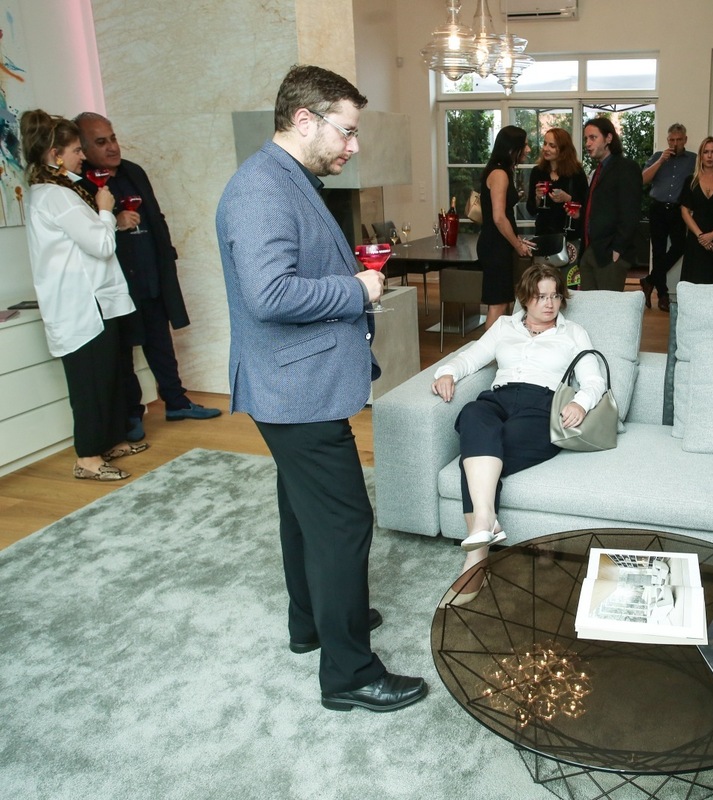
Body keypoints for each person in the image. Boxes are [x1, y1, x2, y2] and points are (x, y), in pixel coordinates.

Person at [216, 65, 426, 714]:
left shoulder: (286, 179)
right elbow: (270, 294)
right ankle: (349, 674)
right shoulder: (261, 188)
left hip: (300, 383)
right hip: (293, 387)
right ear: (304, 120)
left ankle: (312, 622)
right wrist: (355, 288)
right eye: (347, 131)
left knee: (304, 511)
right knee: (343, 522)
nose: (353, 145)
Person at [431, 263, 605, 605]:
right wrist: (447, 372)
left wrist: (581, 403)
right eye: (541, 296)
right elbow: (472, 357)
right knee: (473, 414)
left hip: (541, 407)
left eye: (555, 296)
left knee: (478, 456)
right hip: (499, 398)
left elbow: (594, 380)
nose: (549, 303)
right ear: (524, 298)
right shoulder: (504, 326)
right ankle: (486, 522)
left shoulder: (573, 332)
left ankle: (476, 558)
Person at [75, 112, 220, 440]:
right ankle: (131, 414)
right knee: (123, 351)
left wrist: (166, 257)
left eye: (113, 138)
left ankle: (176, 401)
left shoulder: (133, 171)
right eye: (101, 142)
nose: (112, 147)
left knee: (161, 342)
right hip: (116, 281)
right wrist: (114, 220)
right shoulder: (81, 183)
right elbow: (86, 234)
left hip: (150, 273)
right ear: (83, 148)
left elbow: (155, 217)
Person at [20, 110, 145, 482]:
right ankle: (88, 458)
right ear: (55, 154)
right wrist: (106, 212)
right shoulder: (55, 196)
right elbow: (101, 245)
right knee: (89, 383)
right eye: (76, 150)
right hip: (80, 306)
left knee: (108, 375)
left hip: (96, 302)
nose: (82, 155)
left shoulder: (62, 191)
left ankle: (110, 441)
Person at [479, 125, 535, 329]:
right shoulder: (499, 174)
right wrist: (518, 245)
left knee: (503, 303)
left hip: (497, 244)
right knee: (498, 305)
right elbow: (499, 218)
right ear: (512, 149)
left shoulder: (502, 171)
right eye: (524, 145)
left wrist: (516, 240)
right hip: (494, 246)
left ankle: (498, 344)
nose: (528, 149)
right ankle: (487, 348)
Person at [579, 117, 642, 292]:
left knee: (608, 306)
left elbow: (631, 212)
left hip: (610, 253)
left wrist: (617, 249)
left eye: (593, 138)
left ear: (608, 138)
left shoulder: (626, 167)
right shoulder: (598, 170)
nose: (588, 143)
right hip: (591, 250)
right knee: (588, 305)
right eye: (586, 139)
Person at [640, 123, 695, 310]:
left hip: (679, 210)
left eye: (679, 140)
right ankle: (662, 294)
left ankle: (649, 280)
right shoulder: (658, 157)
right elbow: (642, 180)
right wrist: (660, 161)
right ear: (667, 140)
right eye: (672, 140)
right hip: (658, 208)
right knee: (658, 251)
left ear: (685, 140)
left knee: (680, 247)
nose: (675, 143)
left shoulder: (693, 159)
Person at [678, 136, 713, 285]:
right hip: (696, 238)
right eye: (706, 152)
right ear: (700, 155)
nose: (709, 156)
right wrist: (701, 236)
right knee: (694, 282)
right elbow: (685, 211)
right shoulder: (691, 180)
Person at [525, 127, 588, 240]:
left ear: (563, 149)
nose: (546, 149)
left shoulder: (576, 172)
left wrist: (568, 198)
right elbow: (531, 209)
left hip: (569, 235)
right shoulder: (537, 172)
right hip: (543, 235)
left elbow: (586, 205)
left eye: (552, 146)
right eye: (545, 144)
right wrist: (538, 198)